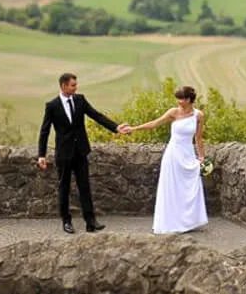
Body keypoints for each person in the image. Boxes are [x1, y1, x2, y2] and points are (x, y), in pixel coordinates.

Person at [37, 72, 131, 234]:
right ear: (64, 86)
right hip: (64, 154)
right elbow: (44, 131)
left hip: (81, 151)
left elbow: (96, 116)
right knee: (64, 187)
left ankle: (90, 221)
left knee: (85, 187)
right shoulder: (52, 106)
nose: (76, 87)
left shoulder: (80, 100)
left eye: (76, 84)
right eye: (73, 85)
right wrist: (41, 155)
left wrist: (116, 128)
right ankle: (66, 221)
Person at [129, 85, 208, 234]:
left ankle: (188, 222)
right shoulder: (173, 112)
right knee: (171, 188)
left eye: (182, 99)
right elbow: (154, 124)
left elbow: (198, 138)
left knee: (188, 188)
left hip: (188, 154)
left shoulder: (199, 115)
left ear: (189, 99)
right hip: (173, 154)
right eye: (177, 98)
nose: (179, 101)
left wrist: (202, 157)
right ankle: (170, 222)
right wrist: (133, 129)